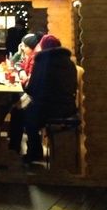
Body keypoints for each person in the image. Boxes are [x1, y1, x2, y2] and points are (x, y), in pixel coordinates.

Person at [21, 34, 78, 164]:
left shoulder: (42, 62)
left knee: (24, 114)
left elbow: (32, 89)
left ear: (44, 47)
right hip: (68, 107)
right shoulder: (69, 62)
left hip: (49, 108)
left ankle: (34, 152)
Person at [8, 33, 41, 153]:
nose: (22, 48)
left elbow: (31, 84)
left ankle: (14, 147)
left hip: (37, 98)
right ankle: (13, 145)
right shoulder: (29, 57)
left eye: (25, 46)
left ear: (31, 47)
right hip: (34, 95)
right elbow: (14, 63)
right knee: (14, 106)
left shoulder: (36, 58)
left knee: (16, 110)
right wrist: (21, 71)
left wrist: (25, 80)